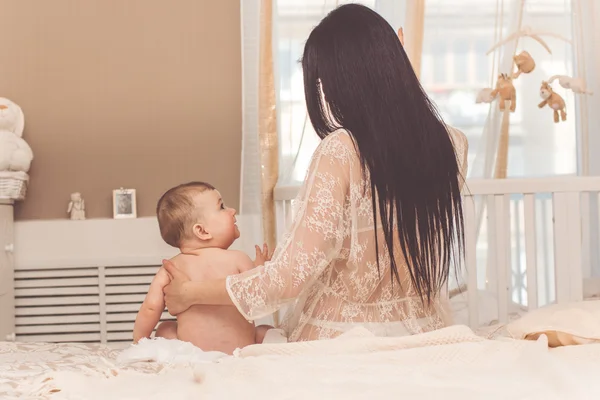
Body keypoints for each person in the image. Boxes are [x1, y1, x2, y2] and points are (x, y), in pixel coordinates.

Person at [162, 4, 468, 342]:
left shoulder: (341, 150)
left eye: (324, 82)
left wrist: (190, 293)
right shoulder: (453, 143)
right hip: (424, 333)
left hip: (341, 336)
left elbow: (289, 277)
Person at [133, 181, 272, 354]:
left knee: (165, 329)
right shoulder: (238, 258)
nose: (232, 210)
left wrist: (139, 343)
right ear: (202, 231)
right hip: (239, 352)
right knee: (266, 331)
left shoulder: (171, 267)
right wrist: (259, 267)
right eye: (221, 206)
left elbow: (151, 307)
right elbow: (258, 291)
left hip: (193, 355)